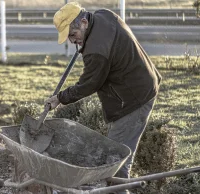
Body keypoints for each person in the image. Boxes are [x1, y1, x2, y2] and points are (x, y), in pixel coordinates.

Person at [45, 2, 162, 193]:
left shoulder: (96, 51)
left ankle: (119, 190)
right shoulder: (102, 16)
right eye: (69, 38)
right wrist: (83, 44)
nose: (72, 41)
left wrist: (60, 98)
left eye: (73, 35)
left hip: (133, 99)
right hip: (141, 83)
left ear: (83, 22)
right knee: (116, 155)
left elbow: (89, 84)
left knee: (115, 164)